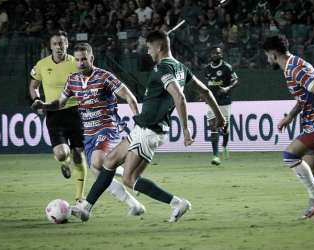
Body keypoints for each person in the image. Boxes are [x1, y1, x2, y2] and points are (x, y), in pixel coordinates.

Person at [69, 30, 226, 223]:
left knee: (129, 179)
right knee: (109, 162)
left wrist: (186, 130)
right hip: (144, 128)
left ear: (159, 47)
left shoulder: (162, 69)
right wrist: (219, 116)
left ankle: (176, 202)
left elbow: (179, 96)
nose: (148, 52)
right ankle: (85, 208)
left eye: (149, 48)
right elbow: (205, 90)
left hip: (150, 129)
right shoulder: (182, 69)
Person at [32, 42, 146, 216]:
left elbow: (129, 96)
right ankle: (134, 204)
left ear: (91, 58)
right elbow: (59, 103)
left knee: (97, 162)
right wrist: (44, 105)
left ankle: (129, 177)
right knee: (98, 172)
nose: (80, 63)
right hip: (89, 132)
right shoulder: (73, 80)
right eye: (77, 60)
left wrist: (138, 122)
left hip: (107, 127)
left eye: (84, 59)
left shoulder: (105, 76)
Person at [262, 34, 314, 222]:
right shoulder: (292, 66)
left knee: (290, 155)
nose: (267, 60)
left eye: (267, 56)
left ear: (273, 55)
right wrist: (290, 116)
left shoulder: (296, 69)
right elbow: (305, 97)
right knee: (313, 169)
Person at [30, 30, 88, 204]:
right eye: (55, 44)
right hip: (54, 113)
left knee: (79, 153)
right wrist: (38, 101)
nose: (58, 47)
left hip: (76, 112)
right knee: (62, 154)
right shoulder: (41, 65)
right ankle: (65, 162)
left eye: (61, 43)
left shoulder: (75, 63)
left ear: (67, 44)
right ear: (50, 46)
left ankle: (80, 196)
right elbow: (33, 86)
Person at [199, 46, 238, 166]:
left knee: (224, 127)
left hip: (224, 101)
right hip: (211, 100)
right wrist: (202, 93)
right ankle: (216, 156)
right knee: (212, 125)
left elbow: (236, 80)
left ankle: (225, 145)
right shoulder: (207, 69)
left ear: (222, 55)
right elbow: (208, 82)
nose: (215, 55)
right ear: (210, 55)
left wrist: (227, 88)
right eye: (213, 53)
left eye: (218, 53)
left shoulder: (226, 67)